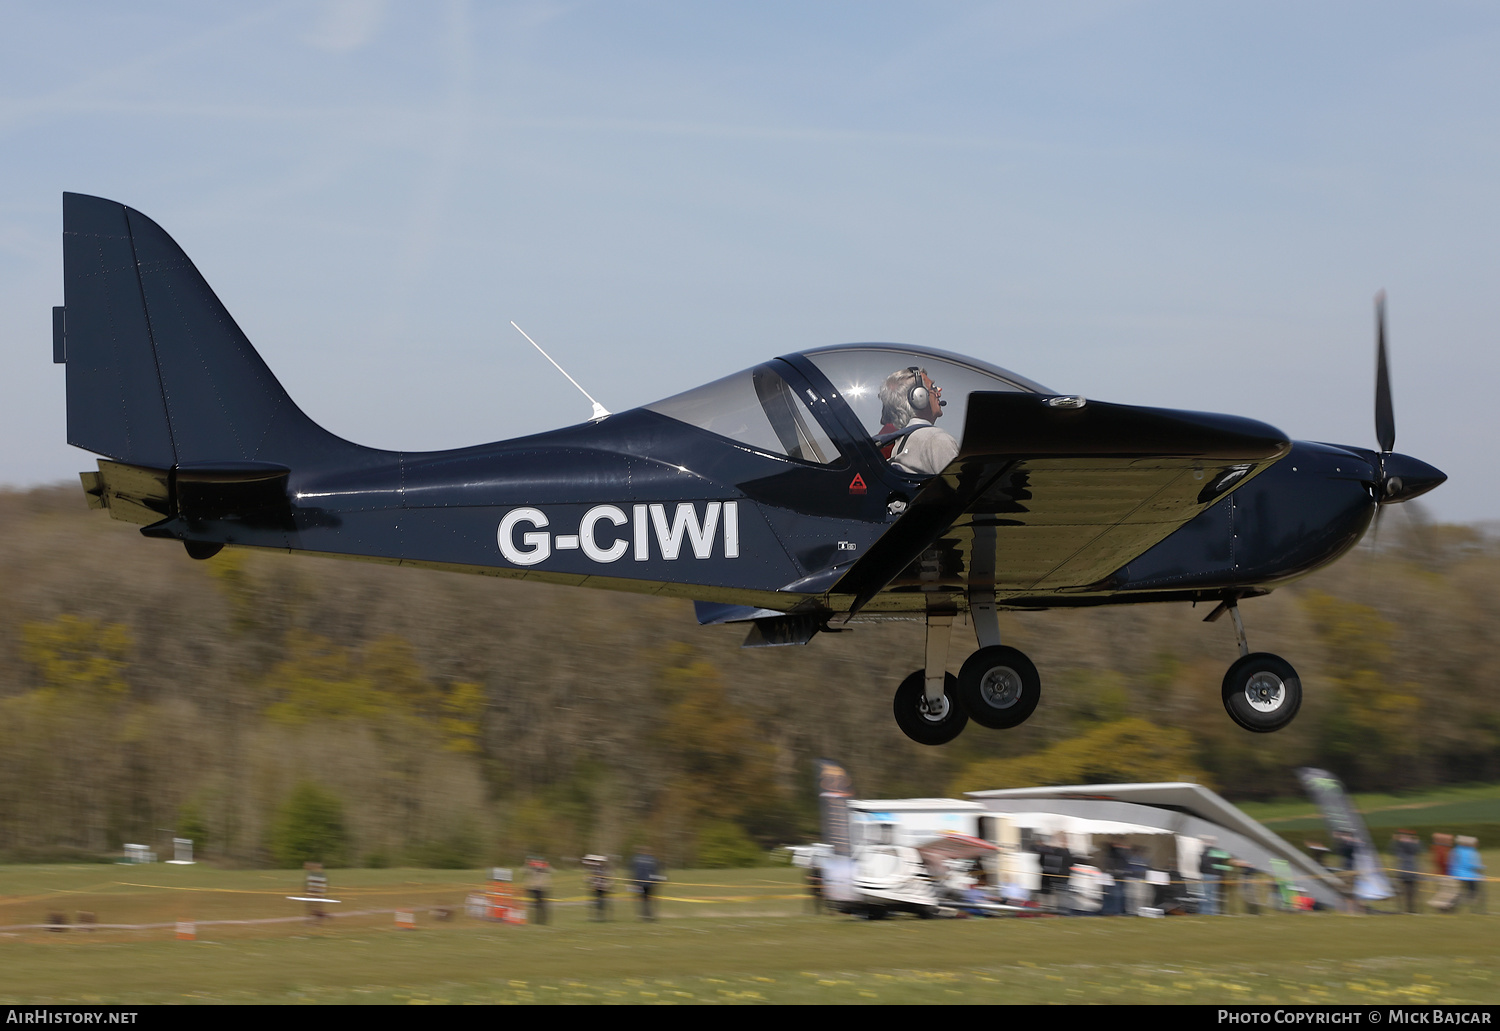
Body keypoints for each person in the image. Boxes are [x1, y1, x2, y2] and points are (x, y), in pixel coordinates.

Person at [876, 367, 959, 476]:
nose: (939, 393)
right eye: (933, 388)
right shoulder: (936, 439)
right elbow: (962, 488)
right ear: (919, 396)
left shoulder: (900, 442)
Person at [1449, 836, 1486, 914]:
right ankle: (1467, 904)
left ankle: (1454, 903)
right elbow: (1473, 865)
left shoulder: (1455, 850)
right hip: (1470, 876)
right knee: (1473, 892)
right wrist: (1481, 867)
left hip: (1456, 875)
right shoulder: (1473, 852)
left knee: (1459, 891)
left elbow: (1452, 863)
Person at [1390, 830, 1422, 914]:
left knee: (1403, 892)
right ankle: (1411, 909)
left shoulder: (1400, 846)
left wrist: (1395, 840)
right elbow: (1418, 850)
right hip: (1411, 871)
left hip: (1402, 871)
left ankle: (1403, 909)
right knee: (1411, 893)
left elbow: (1393, 850)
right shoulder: (1413, 845)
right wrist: (1417, 842)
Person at [632, 848, 661, 921]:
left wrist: (635, 882)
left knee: (643, 900)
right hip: (650, 883)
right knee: (649, 900)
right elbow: (655, 871)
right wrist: (656, 882)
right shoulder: (653, 860)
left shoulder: (638, 860)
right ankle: (650, 916)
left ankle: (645, 916)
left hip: (640, 883)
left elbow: (636, 872)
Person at [583, 854, 611, 922]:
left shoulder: (601, 868)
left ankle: (600, 917)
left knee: (600, 902)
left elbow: (600, 877)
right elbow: (593, 877)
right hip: (597, 887)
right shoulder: (598, 868)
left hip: (600, 887)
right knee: (598, 902)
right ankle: (598, 916)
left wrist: (588, 879)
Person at [525, 857, 550, 926]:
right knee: (535, 906)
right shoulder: (532, 868)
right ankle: (536, 920)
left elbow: (547, 870)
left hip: (541, 888)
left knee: (541, 906)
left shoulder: (544, 868)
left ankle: (543, 920)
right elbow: (526, 872)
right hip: (534, 888)